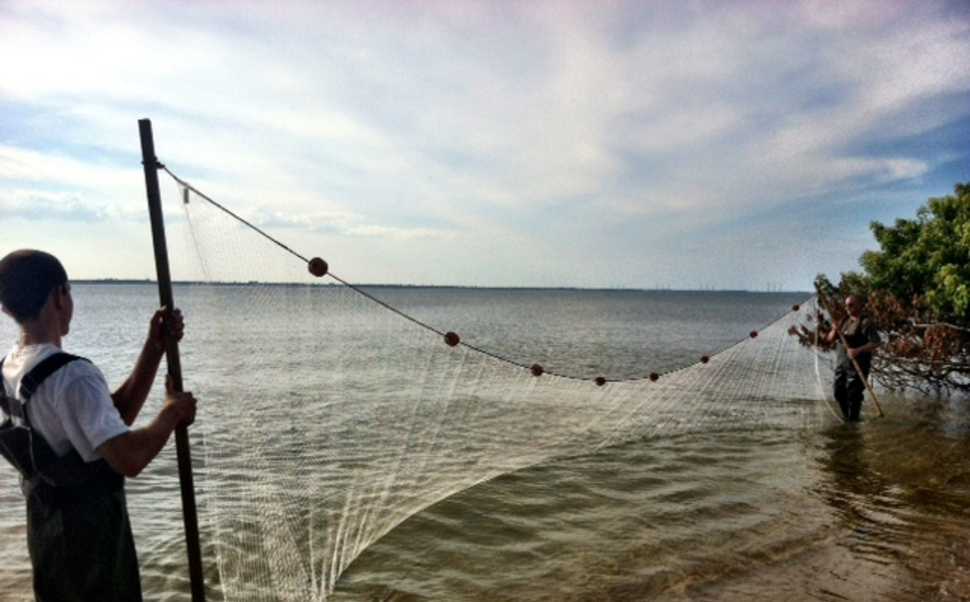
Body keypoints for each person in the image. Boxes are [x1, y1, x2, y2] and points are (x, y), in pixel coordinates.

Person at [0, 249, 197, 602]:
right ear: (60, 295)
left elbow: (111, 419)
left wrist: (154, 349)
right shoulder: (73, 375)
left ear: (6, 307)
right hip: (90, 546)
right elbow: (128, 458)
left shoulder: (9, 371)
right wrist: (171, 412)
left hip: (47, 536)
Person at [827, 294, 881, 422]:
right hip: (842, 364)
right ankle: (847, 418)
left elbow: (876, 342)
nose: (848, 307)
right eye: (846, 305)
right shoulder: (843, 320)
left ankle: (853, 420)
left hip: (858, 366)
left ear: (859, 305)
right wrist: (834, 330)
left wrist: (858, 350)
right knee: (838, 392)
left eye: (851, 305)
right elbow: (830, 339)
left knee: (854, 395)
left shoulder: (866, 322)